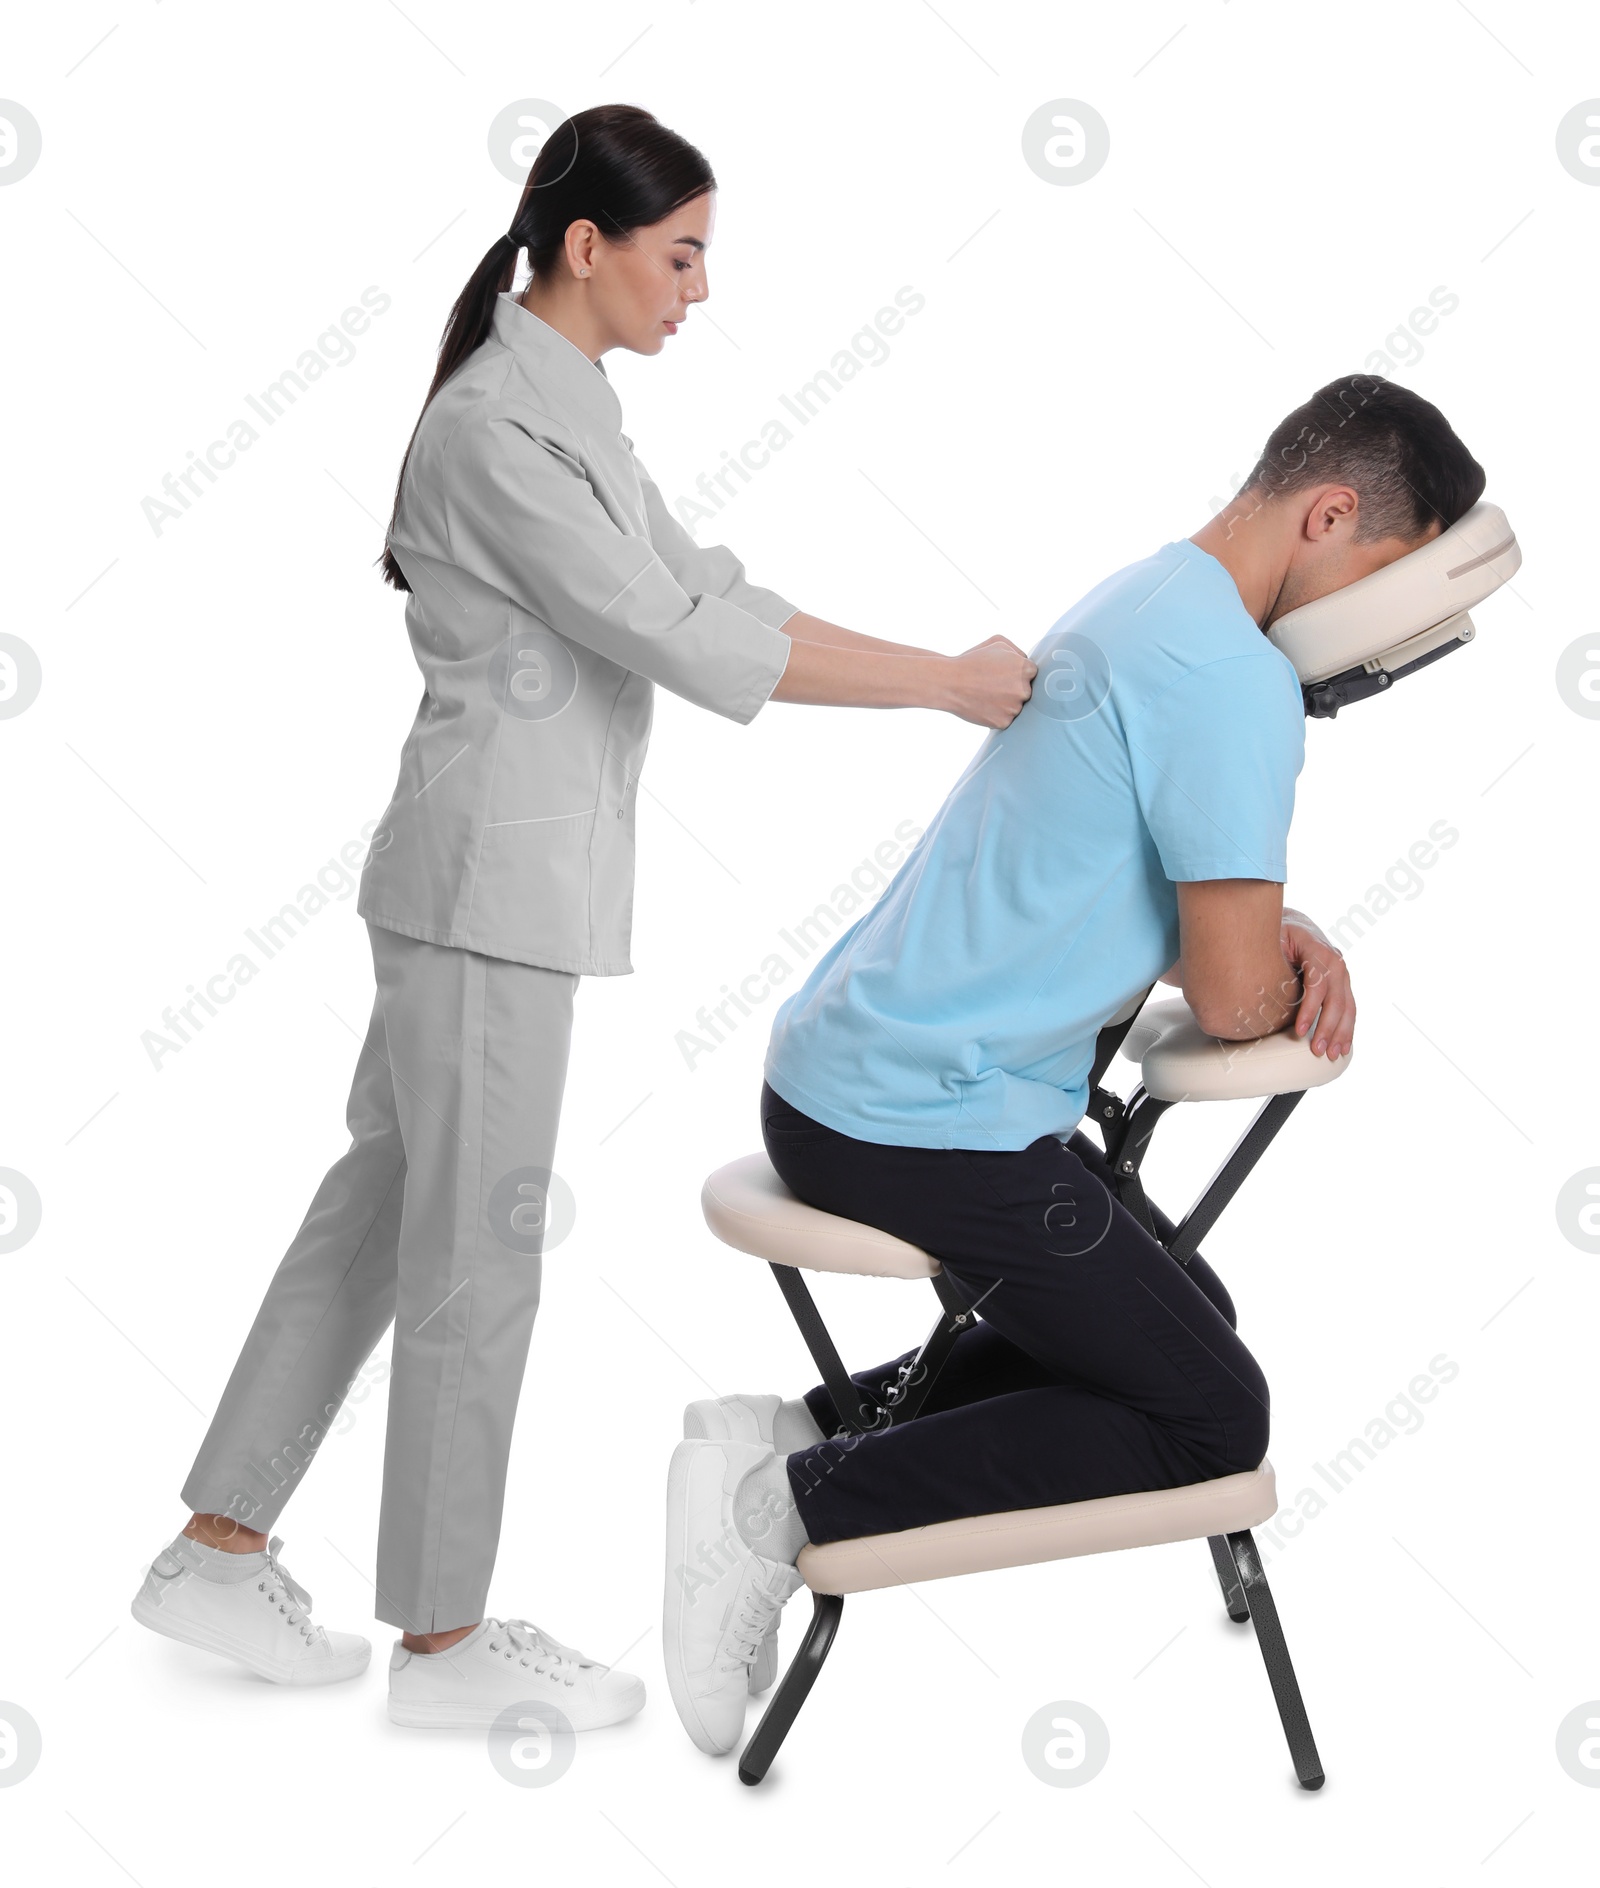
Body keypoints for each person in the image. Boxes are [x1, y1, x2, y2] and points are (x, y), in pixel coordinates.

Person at [130, 103, 1035, 1732]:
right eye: (681, 255)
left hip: (483, 890)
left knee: (375, 1225)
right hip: (488, 899)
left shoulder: (574, 413)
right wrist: (937, 692)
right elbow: (684, 642)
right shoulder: (492, 429)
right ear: (586, 247)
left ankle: (215, 1548)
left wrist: (941, 670)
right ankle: (444, 1644)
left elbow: (718, 590)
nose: (699, 288)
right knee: (477, 1260)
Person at [662, 375, 1487, 1756]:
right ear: (1331, 515)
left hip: (847, 1076)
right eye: (1385, 584)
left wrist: (1273, 930)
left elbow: (1107, 880)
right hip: (923, 1121)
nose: (1372, 641)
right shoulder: (1237, 683)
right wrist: (1282, 956)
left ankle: (776, 1428)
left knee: (1185, 1307)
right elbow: (1228, 1001)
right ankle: (782, 1511)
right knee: (1213, 1413)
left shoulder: (1150, 599)